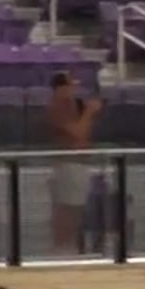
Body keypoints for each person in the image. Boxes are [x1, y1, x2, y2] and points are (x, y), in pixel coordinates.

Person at [48, 72, 102, 255]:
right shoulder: (58, 107)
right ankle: (61, 247)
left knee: (75, 208)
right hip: (68, 163)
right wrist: (89, 112)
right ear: (61, 88)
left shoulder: (73, 106)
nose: (74, 89)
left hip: (79, 162)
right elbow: (77, 133)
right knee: (67, 208)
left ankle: (68, 245)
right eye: (71, 85)